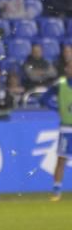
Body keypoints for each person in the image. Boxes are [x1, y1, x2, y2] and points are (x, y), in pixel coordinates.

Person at [38, 59, 72, 202]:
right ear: (66, 69)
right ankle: (57, 190)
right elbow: (43, 99)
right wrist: (56, 108)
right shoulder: (61, 84)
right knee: (61, 159)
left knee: (61, 159)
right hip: (66, 127)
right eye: (70, 66)